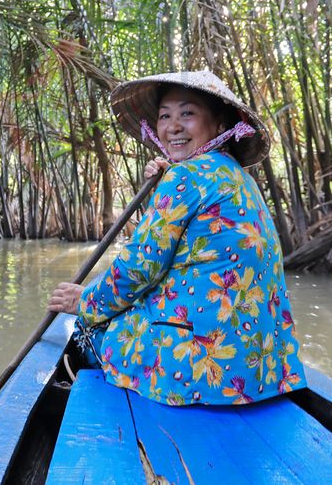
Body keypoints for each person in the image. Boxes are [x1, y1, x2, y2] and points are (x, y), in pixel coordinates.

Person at [48, 69, 306, 406]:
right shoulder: (238, 177)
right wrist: (167, 183)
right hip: (260, 369)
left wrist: (84, 302)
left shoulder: (185, 177)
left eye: (188, 113)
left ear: (219, 124)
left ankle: (77, 385)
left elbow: (136, 271)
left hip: (203, 370)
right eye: (165, 116)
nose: (173, 126)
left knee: (89, 326)